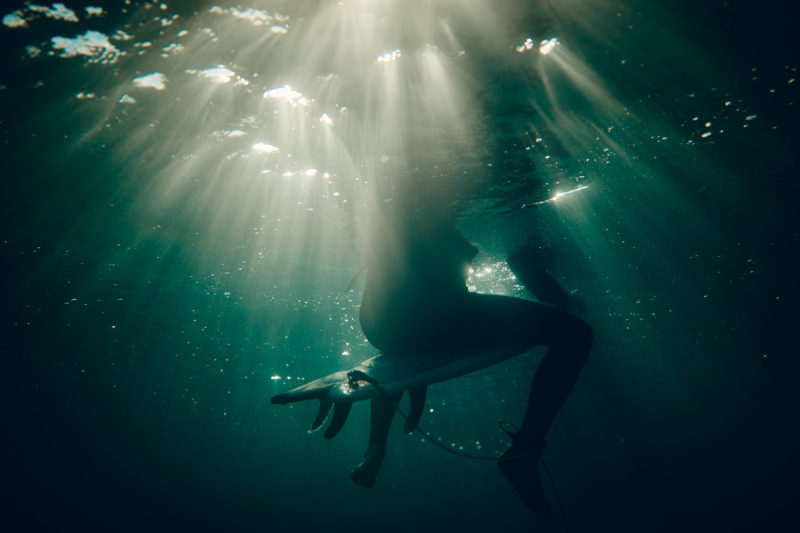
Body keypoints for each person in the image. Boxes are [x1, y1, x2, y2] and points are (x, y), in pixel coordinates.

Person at [352, 202, 593, 517]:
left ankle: (376, 446)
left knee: (400, 353)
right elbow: (520, 259)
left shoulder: (395, 207)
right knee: (575, 335)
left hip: (381, 326)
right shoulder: (440, 202)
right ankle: (526, 449)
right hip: (435, 316)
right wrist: (564, 300)